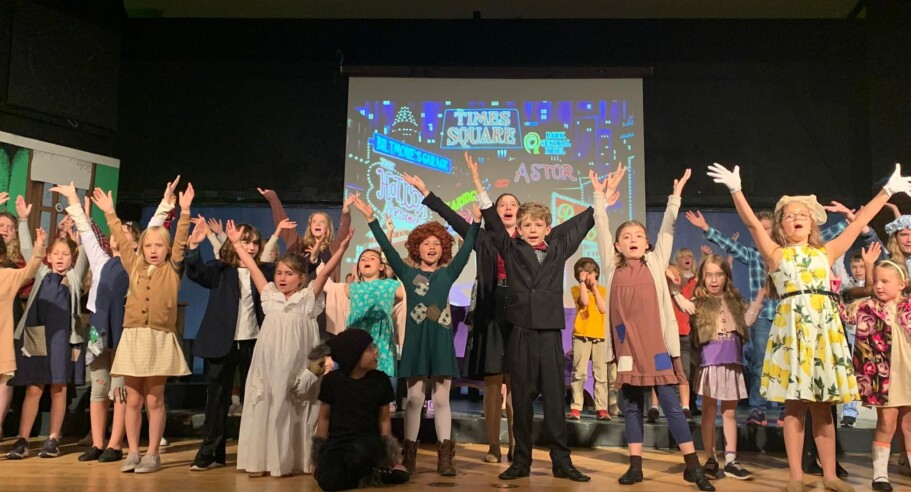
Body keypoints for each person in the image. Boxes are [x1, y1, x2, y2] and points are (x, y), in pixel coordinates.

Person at [706, 162, 911, 492]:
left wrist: (887, 190)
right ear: (782, 226)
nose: (796, 217)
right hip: (792, 334)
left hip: (823, 332)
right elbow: (751, 224)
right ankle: (796, 477)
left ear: (811, 222)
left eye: (802, 213)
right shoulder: (775, 253)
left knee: (823, 408)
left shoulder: (826, 251)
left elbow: (859, 221)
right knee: (794, 408)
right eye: (788, 214)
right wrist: (735, 189)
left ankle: (829, 475)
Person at [472, 157, 593, 483]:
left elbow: (581, 225)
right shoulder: (510, 250)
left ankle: (561, 461)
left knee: (555, 400)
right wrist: (481, 189)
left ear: (547, 229)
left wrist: (598, 199)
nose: (532, 229)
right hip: (522, 333)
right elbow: (494, 227)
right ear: (520, 230)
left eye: (538, 225)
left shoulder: (557, 250)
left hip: (550, 333)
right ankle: (520, 460)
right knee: (521, 398)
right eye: (526, 225)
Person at [593, 166, 712, 491]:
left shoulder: (657, 261)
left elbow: (667, 230)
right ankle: (635, 467)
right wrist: (600, 197)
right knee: (631, 407)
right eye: (626, 237)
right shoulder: (611, 264)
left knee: (672, 405)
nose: (632, 240)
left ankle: (693, 467)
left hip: (658, 347)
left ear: (646, 243)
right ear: (617, 246)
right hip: (627, 348)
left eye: (638, 236)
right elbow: (601, 225)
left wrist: (675, 197)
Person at [350, 193, 479, 477]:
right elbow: (387, 248)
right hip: (417, 344)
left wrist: (476, 224)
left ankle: (445, 458)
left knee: (443, 400)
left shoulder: (448, 274)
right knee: (414, 400)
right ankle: (408, 458)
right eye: (425, 243)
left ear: (443, 248)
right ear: (416, 247)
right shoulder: (408, 274)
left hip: (441, 344)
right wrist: (371, 218)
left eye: (436, 243)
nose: (431, 247)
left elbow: (468, 248)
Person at [229, 219, 352, 477]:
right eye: (279, 273)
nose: (282, 278)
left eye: (289, 274)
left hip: (298, 366)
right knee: (267, 403)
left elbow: (327, 271)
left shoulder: (307, 299)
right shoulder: (270, 296)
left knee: (296, 405)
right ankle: (262, 460)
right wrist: (237, 246)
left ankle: (293, 460)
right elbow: (253, 268)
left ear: (301, 278)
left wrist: (341, 250)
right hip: (269, 364)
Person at [93, 184, 194, 473]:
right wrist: (110, 214)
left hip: (158, 338)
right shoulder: (134, 265)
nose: (153, 250)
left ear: (166, 248)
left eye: (158, 245)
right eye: (148, 245)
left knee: (154, 398)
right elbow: (122, 243)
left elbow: (181, 243)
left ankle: (152, 453)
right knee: (133, 398)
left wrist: (184, 212)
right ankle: (133, 451)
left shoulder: (172, 269)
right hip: (134, 336)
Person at [690, 254, 761, 481]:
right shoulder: (697, 301)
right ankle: (710, 458)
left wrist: (760, 297)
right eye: (709, 275)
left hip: (732, 362)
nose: (713, 280)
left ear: (726, 277)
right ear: (702, 277)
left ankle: (731, 459)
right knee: (709, 411)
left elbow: (747, 321)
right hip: (710, 363)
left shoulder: (735, 300)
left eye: (719, 274)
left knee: (729, 412)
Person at [312, 329, 409, 490]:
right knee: (327, 480)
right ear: (354, 355)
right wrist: (318, 457)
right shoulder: (332, 381)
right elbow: (324, 418)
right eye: (369, 349)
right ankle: (372, 476)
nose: (376, 351)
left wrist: (390, 456)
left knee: (358, 456)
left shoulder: (380, 380)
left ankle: (378, 469)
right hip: (339, 442)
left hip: (367, 442)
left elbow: (384, 420)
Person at [848, 247, 911, 492]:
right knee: (887, 423)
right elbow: (844, 305)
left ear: (902, 283)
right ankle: (880, 474)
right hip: (885, 377)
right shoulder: (868, 308)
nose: (880, 286)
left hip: (908, 373)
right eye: (877, 281)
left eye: (886, 281)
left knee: (909, 424)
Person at [567, 257, 609, 421]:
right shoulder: (576, 289)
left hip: (600, 335)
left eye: (591, 273)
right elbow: (584, 301)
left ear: (596, 273)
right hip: (581, 335)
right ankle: (576, 407)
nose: (589, 276)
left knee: (600, 374)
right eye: (585, 274)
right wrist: (583, 283)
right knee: (580, 372)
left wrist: (595, 288)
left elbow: (602, 308)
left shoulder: (603, 290)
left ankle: (601, 408)